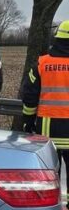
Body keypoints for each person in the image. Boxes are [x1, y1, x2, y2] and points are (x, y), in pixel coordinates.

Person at [22, 20, 69, 196]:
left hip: (48, 127)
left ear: (57, 38)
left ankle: (52, 207)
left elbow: (29, 96)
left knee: (49, 173)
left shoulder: (42, 63)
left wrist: (28, 121)